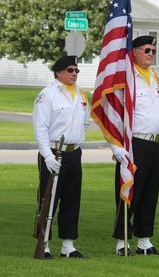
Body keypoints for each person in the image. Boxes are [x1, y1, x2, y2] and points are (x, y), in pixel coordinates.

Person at [110, 35, 159, 256]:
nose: (151, 54)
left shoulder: (153, 75)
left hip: (155, 143)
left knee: (150, 193)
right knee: (129, 192)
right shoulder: (126, 77)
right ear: (134, 51)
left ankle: (145, 241)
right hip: (135, 143)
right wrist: (115, 144)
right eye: (147, 50)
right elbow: (114, 114)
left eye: (154, 50)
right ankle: (122, 242)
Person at [32, 55, 90, 259]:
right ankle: (44, 243)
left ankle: (68, 245)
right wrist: (47, 156)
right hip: (53, 152)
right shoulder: (47, 95)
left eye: (76, 71)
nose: (74, 73)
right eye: (70, 70)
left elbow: (85, 122)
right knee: (48, 199)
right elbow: (40, 128)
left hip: (74, 152)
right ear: (58, 72)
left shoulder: (81, 95)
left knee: (72, 199)